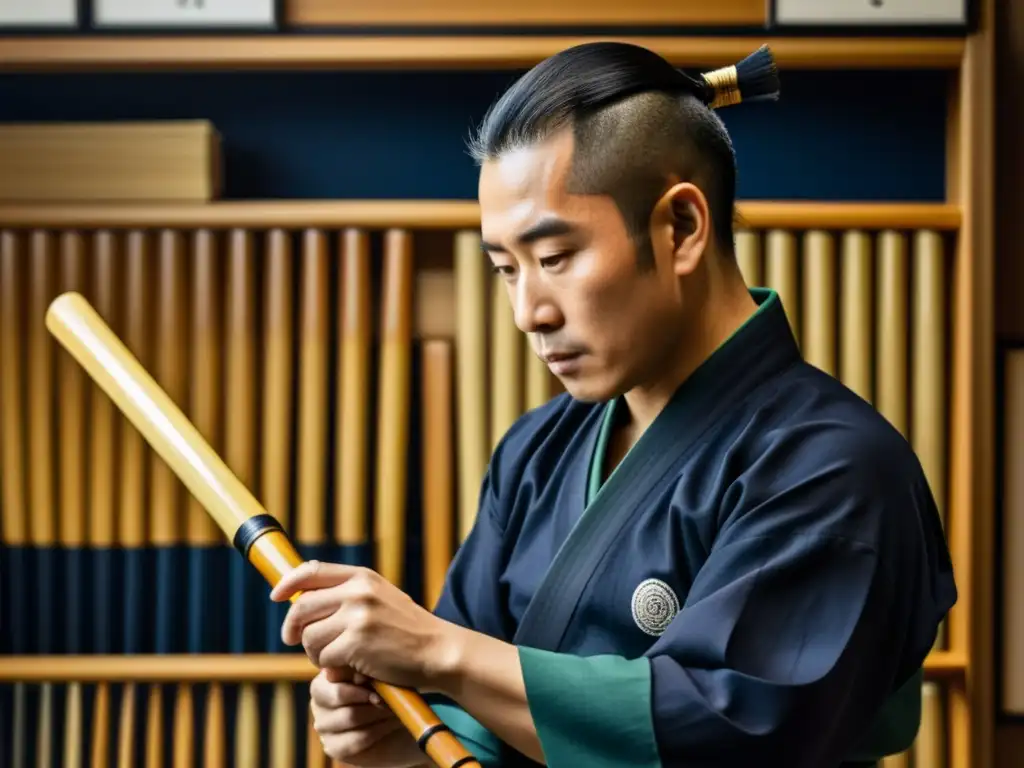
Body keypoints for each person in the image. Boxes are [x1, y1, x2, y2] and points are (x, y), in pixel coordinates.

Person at [269, 41, 957, 768]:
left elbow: (728, 735)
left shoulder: (837, 466)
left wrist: (439, 654)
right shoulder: (536, 451)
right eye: (506, 269)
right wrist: (406, 734)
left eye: (555, 258)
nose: (528, 311)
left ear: (681, 228)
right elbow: (465, 704)